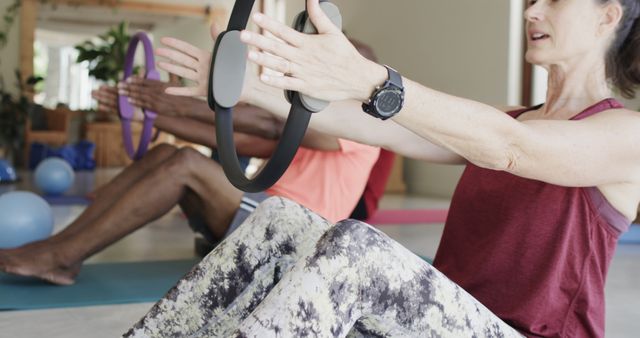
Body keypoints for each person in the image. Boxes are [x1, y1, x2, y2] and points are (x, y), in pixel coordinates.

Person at [122, 0, 640, 337]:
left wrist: (372, 78)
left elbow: (510, 148)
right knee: (281, 220)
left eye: (552, 0)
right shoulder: (513, 118)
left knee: (358, 248)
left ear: (607, 15)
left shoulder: (625, 134)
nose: (532, 10)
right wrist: (245, 87)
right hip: (438, 320)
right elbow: (380, 126)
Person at [0, 66, 379, 286]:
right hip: (261, 216)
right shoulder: (311, 128)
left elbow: (271, 124)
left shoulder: (361, 128)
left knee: (185, 164)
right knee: (169, 153)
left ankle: (61, 255)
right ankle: (63, 250)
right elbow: (224, 135)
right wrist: (141, 111)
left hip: (296, 239)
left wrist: (173, 100)